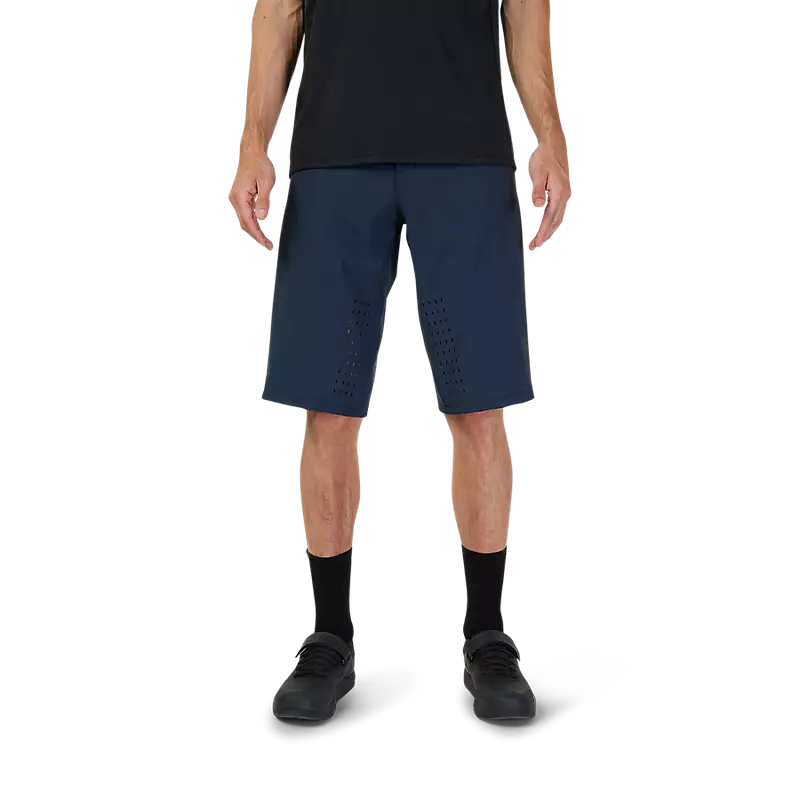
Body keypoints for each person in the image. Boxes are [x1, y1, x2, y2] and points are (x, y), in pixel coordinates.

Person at [229, 0, 571, 722]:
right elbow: (279, 10)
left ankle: (487, 636)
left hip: (466, 154)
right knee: (328, 406)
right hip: (333, 154)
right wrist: (253, 142)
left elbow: (525, 7)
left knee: (480, 404)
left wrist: (550, 134)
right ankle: (330, 638)